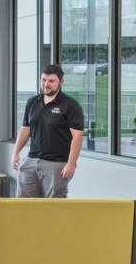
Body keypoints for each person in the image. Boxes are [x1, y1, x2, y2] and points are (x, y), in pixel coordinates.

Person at [12, 63, 85, 198]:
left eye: (51, 81)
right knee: (24, 206)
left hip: (57, 164)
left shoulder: (70, 105)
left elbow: (77, 136)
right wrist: (15, 153)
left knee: (53, 208)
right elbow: (25, 130)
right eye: (43, 80)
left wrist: (71, 163)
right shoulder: (32, 102)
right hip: (31, 160)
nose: (46, 84)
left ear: (61, 82)